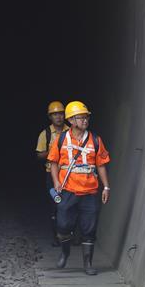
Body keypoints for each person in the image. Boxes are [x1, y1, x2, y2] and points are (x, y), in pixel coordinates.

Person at [48, 100, 110, 276]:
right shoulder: (61, 139)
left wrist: (106, 187)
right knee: (63, 225)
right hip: (67, 190)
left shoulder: (96, 140)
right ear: (71, 121)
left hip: (90, 192)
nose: (85, 120)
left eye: (86, 117)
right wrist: (56, 183)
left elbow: (101, 165)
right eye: (81, 118)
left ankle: (88, 264)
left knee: (89, 228)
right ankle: (65, 252)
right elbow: (53, 162)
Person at [35, 101, 68, 246]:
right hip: (51, 175)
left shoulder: (72, 131)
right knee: (55, 205)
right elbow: (39, 155)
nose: (58, 117)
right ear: (50, 117)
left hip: (70, 175)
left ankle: (71, 235)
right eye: (55, 114)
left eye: (61, 113)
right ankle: (57, 236)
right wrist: (53, 152)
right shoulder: (46, 134)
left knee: (71, 205)